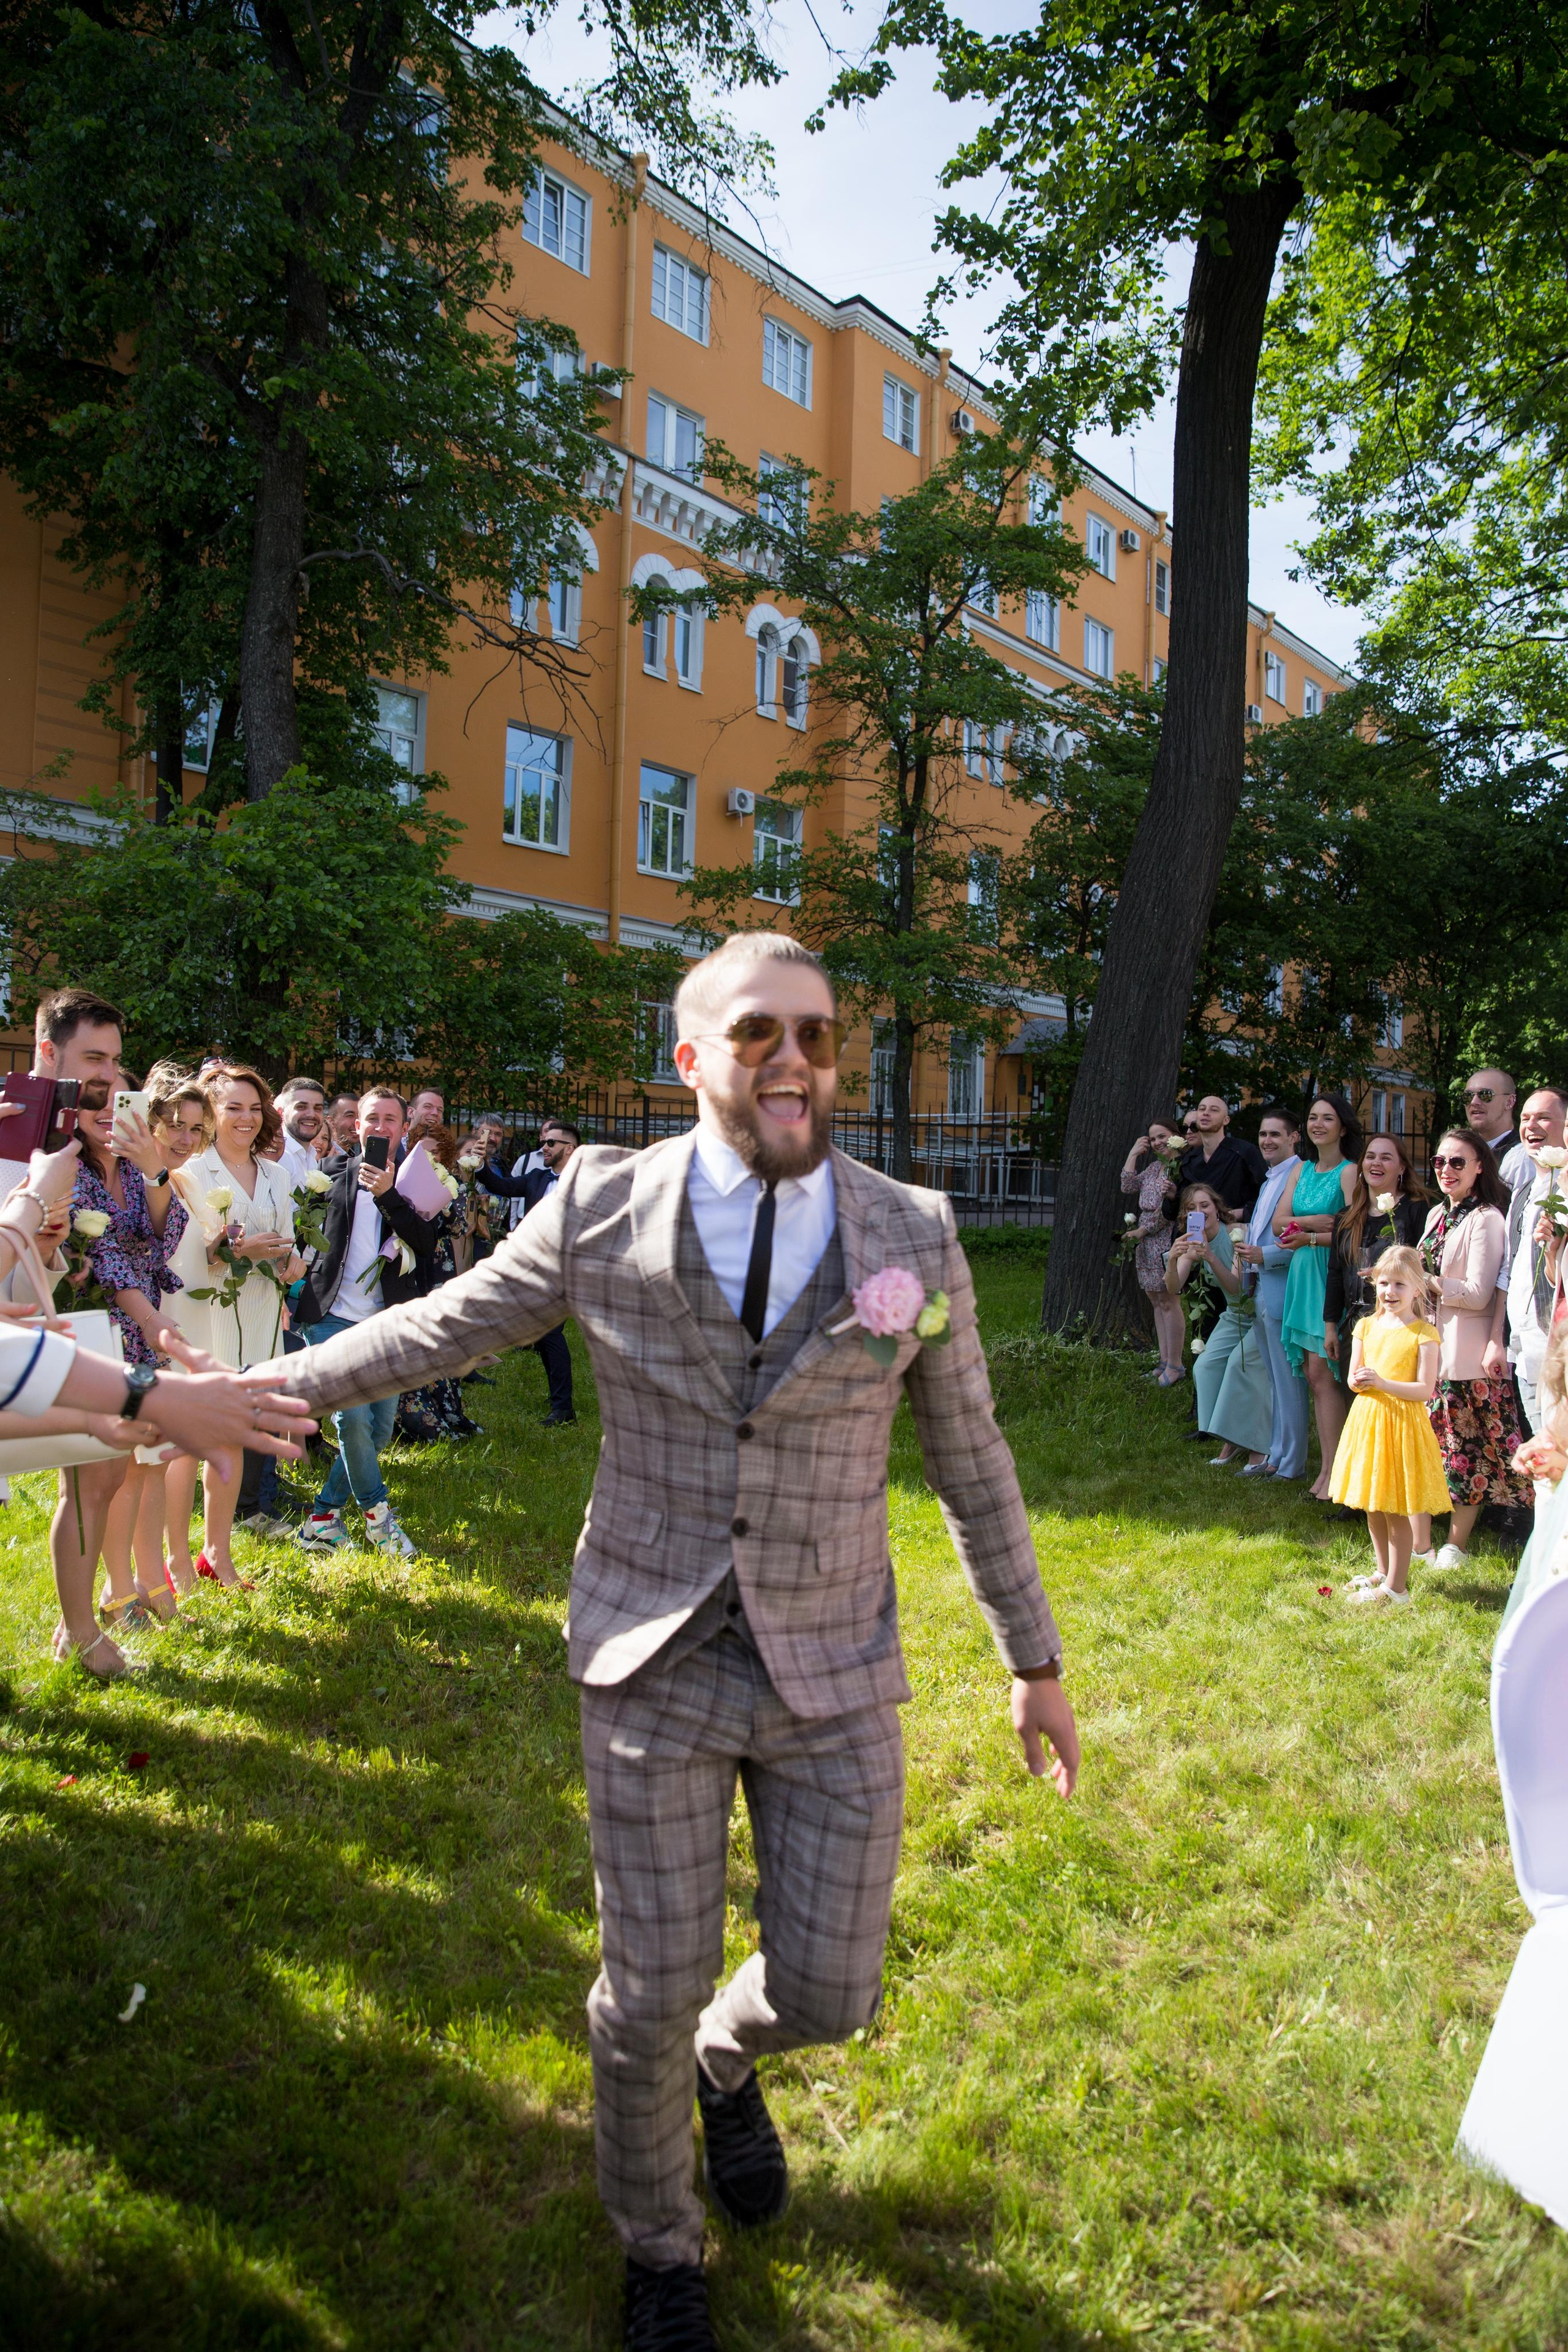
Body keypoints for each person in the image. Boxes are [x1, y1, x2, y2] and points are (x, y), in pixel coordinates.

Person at [259, 929, 1079, 2347]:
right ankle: (658, 2243)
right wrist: (247, 1391)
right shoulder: (597, 1204)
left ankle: (729, 2055)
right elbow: (438, 1328)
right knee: (643, 1990)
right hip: (652, 1648)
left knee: (831, 1984)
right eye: (757, 1031)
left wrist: (1032, 1654)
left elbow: (969, 1451)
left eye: (817, 1034)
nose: (795, 1060)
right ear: (689, 1056)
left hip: (831, 1656)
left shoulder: (910, 1235)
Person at [294, 1089, 437, 1559]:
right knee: (351, 1418)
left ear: (404, 1128)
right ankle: (380, 1521)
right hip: (331, 1316)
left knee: (377, 1432)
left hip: (384, 1324)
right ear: (355, 1127)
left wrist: (389, 1196)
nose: (379, 1127)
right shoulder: (329, 1175)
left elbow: (425, 1249)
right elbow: (302, 1232)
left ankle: (321, 1519)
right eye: (370, 1119)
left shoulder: (418, 1182)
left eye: (389, 1120)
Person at [181, 1066, 303, 1585]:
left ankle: (218, 1546)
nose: (247, 1119)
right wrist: (234, 1251)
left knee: (243, 1429)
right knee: (211, 1437)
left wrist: (290, 1266)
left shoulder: (276, 1174)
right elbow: (186, 1261)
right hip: (212, 1316)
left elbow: (291, 1248)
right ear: (211, 1112)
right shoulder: (190, 1173)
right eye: (234, 1108)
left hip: (262, 1314)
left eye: (255, 1108)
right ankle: (200, 1554)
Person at [1413, 1126, 1529, 1570]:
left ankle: (1456, 1545)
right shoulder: (1436, 1216)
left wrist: (1427, 1282)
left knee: (1468, 1453)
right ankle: (1421, 1542)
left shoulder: (1487, 1218)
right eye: (1440, 1161)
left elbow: (1480, 1292)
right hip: (1430, 1351)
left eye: (1458, 1162)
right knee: (1426, 1448)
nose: (1446, 1170)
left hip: (1467, 1354)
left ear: (1480, 1166)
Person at [1332, 1248, 1450, 1604]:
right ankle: (1383, 1571)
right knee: (1373, 1501)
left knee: (1396, 1504)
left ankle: (1397, 1589)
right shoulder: (1366, 1326)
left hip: (1401, 1425)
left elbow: (1424, 1389)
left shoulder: (1424, 1333)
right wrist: (1360, 1382)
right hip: (1368, 1423)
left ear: (1417, 1289)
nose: (1390, 1292)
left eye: (1400, 1284)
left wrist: (1381, 1383)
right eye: (1384, 1283)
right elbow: (1353, 1378)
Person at [144, 1065, 217, 1592]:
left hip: (196, 1318)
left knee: (185, 1445)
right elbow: (152, 1238)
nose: (186, 1138)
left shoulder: (189, 1179)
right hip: (160, 1320)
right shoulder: (148, 1176)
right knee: (159, 1451)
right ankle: (159, 1564)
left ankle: (176, 1556)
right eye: (175, 1125)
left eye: (195, 1129)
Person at [1276, 1094, 1361, 1501]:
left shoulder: (1350, 1172)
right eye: (1312, 1117)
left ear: (1343, 1127)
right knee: (1315, 1376)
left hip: (1330, 1274)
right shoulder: (1302, 1169)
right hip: (1302, 1276)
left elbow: (1351, 1230)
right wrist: (1316, 1222)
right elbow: (1278, 1223)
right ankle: (1330, 1467)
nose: (1318, 1124)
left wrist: (1307, 1234)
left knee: (1326, 1373)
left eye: (1328, 1118)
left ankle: (1336, 1472)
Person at [478, 1118, 582, 1423]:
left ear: (570, 1148)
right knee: (542, 1333)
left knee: (549, 1332)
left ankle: (564, 1409)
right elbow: (500, 1186)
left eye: (551, 1143)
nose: (544, 1147)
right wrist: (482, 1161)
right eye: (543, 1142)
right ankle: (560, 1402)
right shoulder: (537, 1177)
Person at [1165, 1182, 1272, 1465]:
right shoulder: (1192, 1243)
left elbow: (1237, 1288)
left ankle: (1239, 1442)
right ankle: (1229, 1435)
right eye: (1191, 1209)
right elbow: (1174, 1288)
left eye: (1204, 1206)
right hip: (1234, 1315)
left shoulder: (1238, 1233)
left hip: (1257, 1312)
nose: (1199, 1212)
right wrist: (1173, 1261)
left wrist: (1209, 1256)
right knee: (1206, 1366)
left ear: (1217, 1208)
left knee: (1240, 1365)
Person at [394, 1118, 483, 1442]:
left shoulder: (452, 1182)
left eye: (435, 1154)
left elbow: (460, 1228)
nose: (429, 1160)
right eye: (422, 1154)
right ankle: (414, 1418)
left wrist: (441, 1202)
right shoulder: (398, 1179)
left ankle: (447, 1409)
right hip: (409, 1262)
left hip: (439, 1266)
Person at [1232, 1107, 1306, 1480]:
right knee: (1275, 1379)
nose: (1267, 1141)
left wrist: (1266, 1256)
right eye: (1263, 1134)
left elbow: (1302, 1241)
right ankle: (1275, 1454)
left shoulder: (1299, 1175)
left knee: (1289, 1379)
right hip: (1260, 1285)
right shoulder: (1267, 1181)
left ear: (1295, 1137)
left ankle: (1291, 1463)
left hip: (1281, 1285)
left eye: (1276, 1134)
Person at [1323, 1133, 1431, 1351]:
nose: (1376, 1163)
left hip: (1401, 1326)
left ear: (1402, 1168)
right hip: (1356, 1328)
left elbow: (1424, 1266)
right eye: (1370, 1157)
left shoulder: (1416, 1209)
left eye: (1386, 1158)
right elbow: (1336, 1273)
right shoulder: (1346, 1217)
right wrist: (1330, 1328)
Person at [1506, 1089, 1568, 1438]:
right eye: (1526, 1118)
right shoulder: (1524, 1191)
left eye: (1543, 1117)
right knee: (1547, 1465)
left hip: (1559, 1347)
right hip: (1526, 1348)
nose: (1531, 1125)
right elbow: (1513, 1271)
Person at [1119, 1120, 1183, 1381]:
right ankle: (1164, 1359)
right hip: (1145, 1242)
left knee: (1169, 1301)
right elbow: (1127, 1185)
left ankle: (1176, 1365)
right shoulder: (1155, 1168)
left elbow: (1172, 1211)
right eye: (1153, 1138)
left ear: (1176, 1137)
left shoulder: (1179, 1169)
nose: (1157, 1142)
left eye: (1163, 1136)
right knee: (1156, 1301)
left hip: (1164, 1238)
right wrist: (1134, 1153)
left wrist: (1143, 1231)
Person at [1177, 1095, 1267, 1224]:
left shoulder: (1245, 1152)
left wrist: (1241, 1212)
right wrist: (1172, 1196)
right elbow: (1182, 1207)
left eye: (1214, 1110)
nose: (1206, 1113)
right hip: (1198, 1235)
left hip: (1237, 1234)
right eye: (1202, 1109)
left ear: (1226, 1120)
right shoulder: (1189, 1160)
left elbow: (1267, 1194)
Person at [274, 1079, 331, 1188]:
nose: (311, 1114)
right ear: (281, 1113)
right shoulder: (279, 1155)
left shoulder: (311, 1155)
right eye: (301, 1107)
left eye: (318, 1108)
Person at [1462, 1068, 1519, 1175]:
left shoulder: (1521, 1156)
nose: (1474, 1102)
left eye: (1485, 1095)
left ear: (1509, 1102)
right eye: (1468, 1096)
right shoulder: (1464, 1154)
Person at [325, 1093, 360, 1157]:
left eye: (360, 1116)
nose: (358, 1122)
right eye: (350, 1116)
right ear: (331, 1121)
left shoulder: (353, 1155)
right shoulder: (321, 1154)